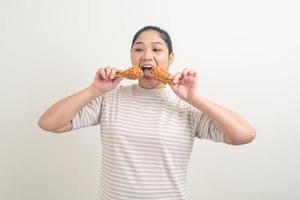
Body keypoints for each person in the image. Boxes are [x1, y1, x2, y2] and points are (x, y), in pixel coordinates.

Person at [38, 26, 256, 200]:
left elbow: (244, 135)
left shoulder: (186, 108)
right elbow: (49, 123)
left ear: (171, 58)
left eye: (157, 49)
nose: (146, 56)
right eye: (139, 49)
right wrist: (94, 90)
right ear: (132, 56)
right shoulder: (109, 99)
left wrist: (195, 99)